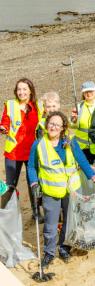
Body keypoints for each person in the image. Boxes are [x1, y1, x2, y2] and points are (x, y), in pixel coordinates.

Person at [27, 111, 95, 268]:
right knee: (50, 225)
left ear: (63, 127)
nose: (53, 127)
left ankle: (64, 247)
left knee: (69, 222)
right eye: (51, 123)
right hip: (51, 192)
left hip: (71, 191)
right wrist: (34, 184)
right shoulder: (38, 144)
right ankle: (49, 253)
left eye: (57, 124)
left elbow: (82, 161)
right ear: (46, 124)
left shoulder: (70, 142)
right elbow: (31, 166)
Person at [0, 78, 43, 220]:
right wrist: (4, 128)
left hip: (32, 151)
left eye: (24, 89)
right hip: (14, 152)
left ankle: (36, 212)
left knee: (33, 181)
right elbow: (5, 122)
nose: (21, 92)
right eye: (19, 89)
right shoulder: (11, 105)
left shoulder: (38, 106)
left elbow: (45, 121)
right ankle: (5, 212)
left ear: (30, 90)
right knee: (10, 184)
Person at [70, 82, 95, 165]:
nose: (89, 94)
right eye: (86, 92)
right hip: (81, 149)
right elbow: (72, 125)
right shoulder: (78, 107)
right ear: (83, 93)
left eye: (91, 91)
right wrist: (74, 121)